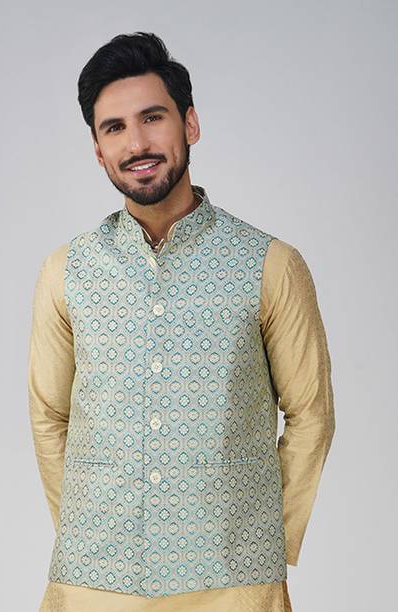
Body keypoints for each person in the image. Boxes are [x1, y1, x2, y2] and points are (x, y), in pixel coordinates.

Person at [28, 31, 335, 612]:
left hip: (234, 585)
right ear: (98, 149)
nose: (136, 143)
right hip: (94, 584)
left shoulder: (270, 265)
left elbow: (312, 414)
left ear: (190, 124)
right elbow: (50, 417)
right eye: (114, 128)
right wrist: (85, 531)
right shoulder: (65, 271)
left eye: (152, 118)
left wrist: (265, 541)